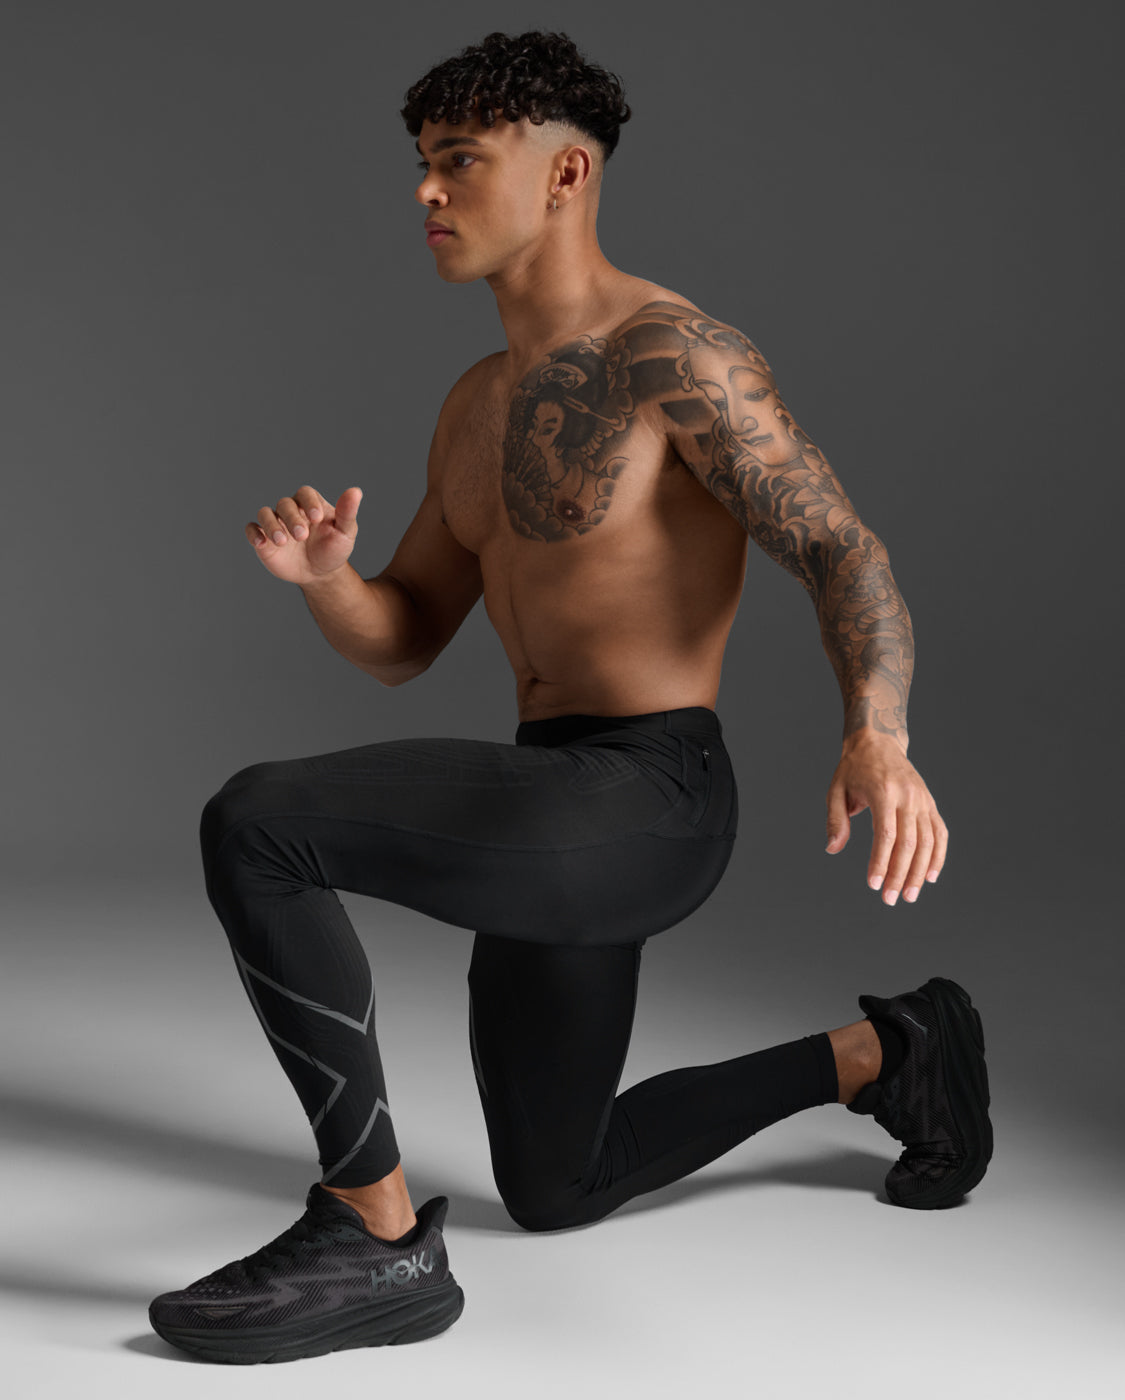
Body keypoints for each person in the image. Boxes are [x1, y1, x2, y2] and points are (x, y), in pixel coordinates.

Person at [148, 30, 991, 1365]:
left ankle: (371, 1233)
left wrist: (877, 733)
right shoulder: (475, 407)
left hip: (647, 796)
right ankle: (890, 1051)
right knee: (558, 1182)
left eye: (458, 161)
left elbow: (840, 546)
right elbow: (405, 636)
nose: (425, 192)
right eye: (420, 164)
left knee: (257, 823)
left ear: (564, 174)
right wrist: (325, 581)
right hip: (547, 801)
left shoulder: (674, 354)